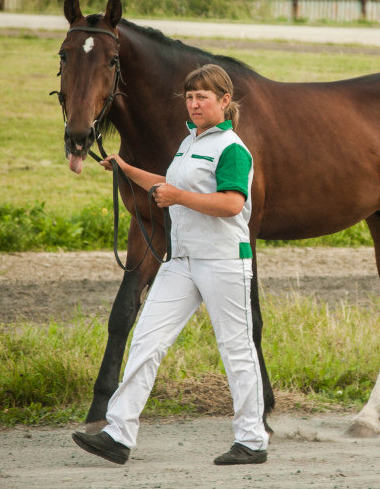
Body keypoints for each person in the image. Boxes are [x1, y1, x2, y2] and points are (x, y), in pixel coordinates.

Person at [71, 64, 268, 466]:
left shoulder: (231, 148)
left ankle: (252, 440)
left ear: (224, 101)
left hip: (224, 262)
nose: (194, 104)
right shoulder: (190, 141)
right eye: (190, 96)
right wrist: (126, 169)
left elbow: (232, 203)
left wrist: (178, 197)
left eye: (203, 97)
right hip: (181, 262)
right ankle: (118, 434)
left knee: (236, 351)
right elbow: (169, 183)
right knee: (146, 340)